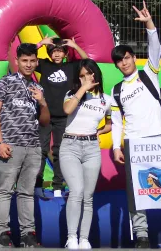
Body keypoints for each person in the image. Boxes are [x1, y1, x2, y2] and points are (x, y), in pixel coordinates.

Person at [110, 1, 161, 249]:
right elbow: (117, 122)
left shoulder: (148, 73)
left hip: (157, 140)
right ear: (117, 65)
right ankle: (141, 236)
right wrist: (116, 147)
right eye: (119, 61)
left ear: (133, 58)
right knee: (136, 192)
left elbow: (156, 48)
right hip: (133, 144)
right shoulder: (116, 90)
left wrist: (150, 24)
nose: (124, 63)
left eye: (127, 58)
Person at [0, 43, 51, 248]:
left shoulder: (38, 87)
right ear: (16, 61)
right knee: (5, 190)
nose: (29, 64)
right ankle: (2, 233)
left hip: (33, 147)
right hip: (9, 144)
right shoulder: (4, 83)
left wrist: (42, 102)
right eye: (24, 61)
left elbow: (44, 121)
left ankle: (28, 234)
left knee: (27, 192)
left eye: (32, 61)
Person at [61, 59, 112, 249]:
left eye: (88, 74)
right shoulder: (72, 94)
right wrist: (83, 88)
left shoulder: (106, 100)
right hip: (70, 145)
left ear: (95, 74)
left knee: (88, 196)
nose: (85, 78)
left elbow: (110, 123)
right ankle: (71, 237)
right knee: (76, 190)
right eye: (81, 76)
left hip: (91, 148)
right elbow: (67, 109)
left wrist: (98, 132)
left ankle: (84, 239)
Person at [34, 36, 88, 197]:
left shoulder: (71, 66)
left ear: (65, 53)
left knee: (59, 150)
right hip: (44, 115)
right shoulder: (44, 64)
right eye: (53, 51)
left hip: (63, 116)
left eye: (60, 51)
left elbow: (88, 62)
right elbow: (26, 59)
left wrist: (75, 46)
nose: (57, 54)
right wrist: (40, 44)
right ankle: (38, 184)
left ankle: (58, 185)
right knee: (41, 149)